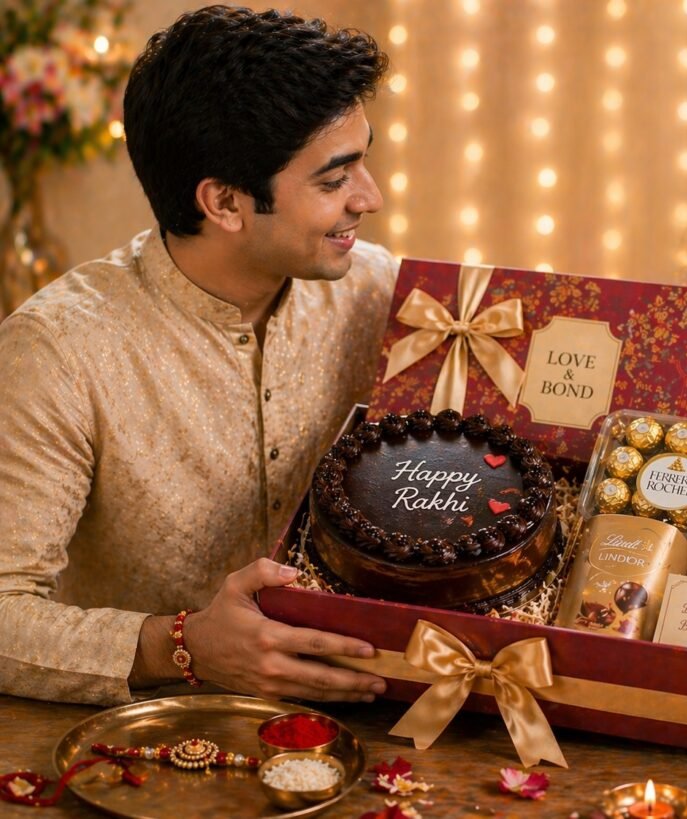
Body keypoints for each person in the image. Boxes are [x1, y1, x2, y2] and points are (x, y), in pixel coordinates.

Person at [0, 6, 398, 704]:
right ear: (225, 202)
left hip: (369, 715)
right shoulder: (58, 350)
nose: (371, 197)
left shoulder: (384, 297)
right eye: (334, 180)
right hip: (141, 755)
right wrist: (178, 645)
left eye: (363, 161)